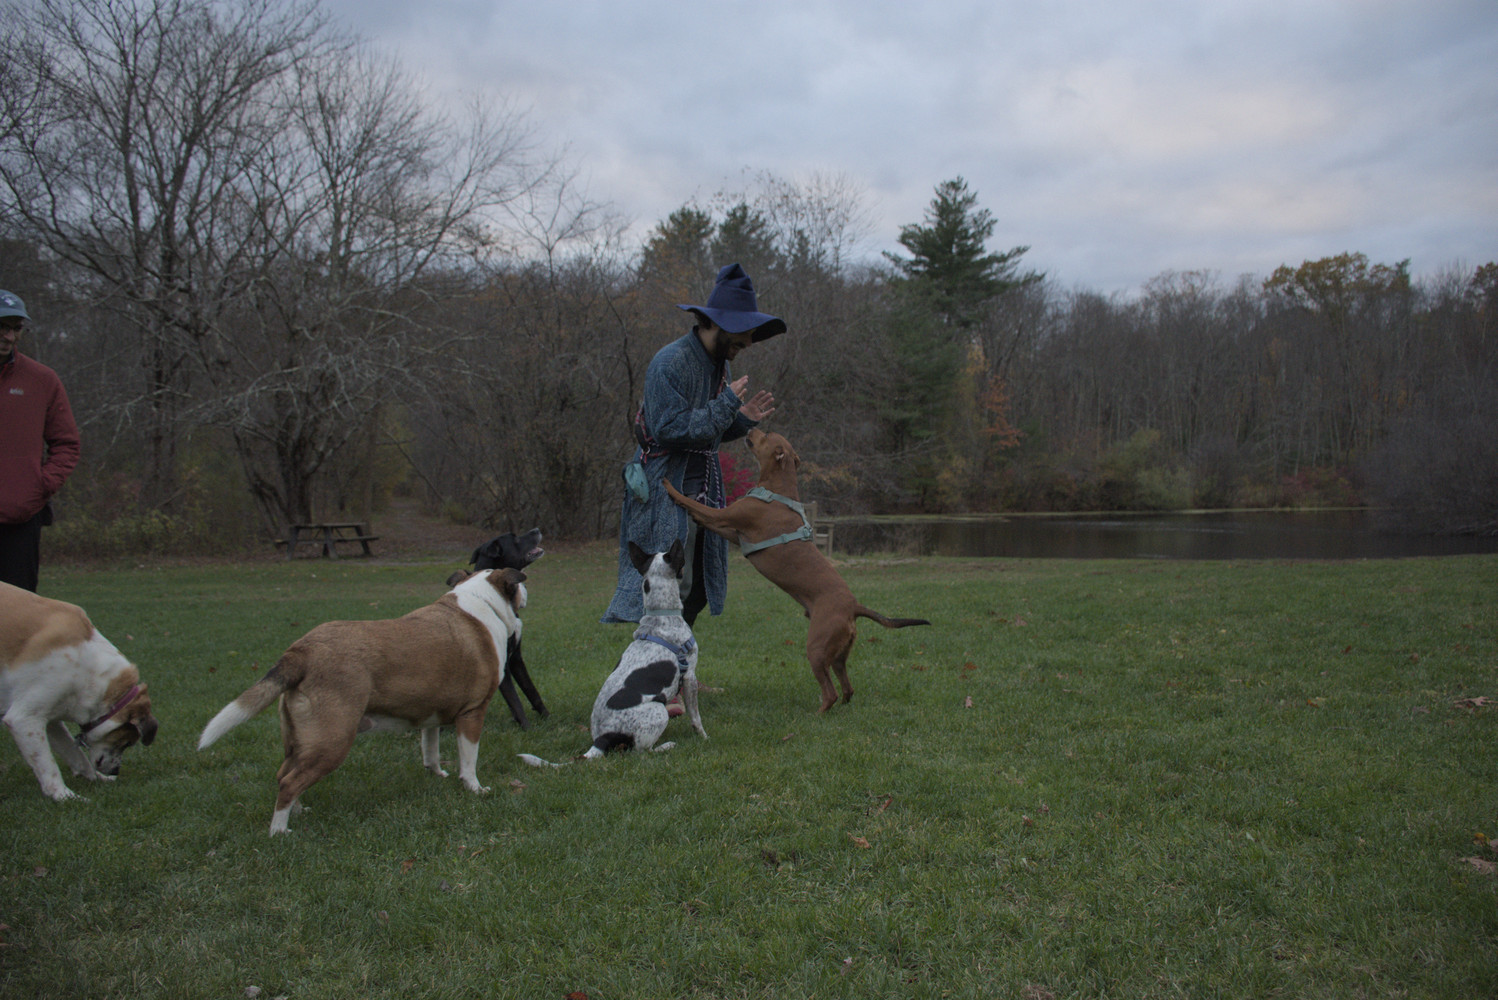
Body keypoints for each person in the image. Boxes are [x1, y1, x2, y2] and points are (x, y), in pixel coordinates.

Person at [603, 263, 785, 626]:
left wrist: (741, 419)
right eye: (743, 333)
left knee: (699, 586)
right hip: (665, 489)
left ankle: (681, 658)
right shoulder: (669, 363)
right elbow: (668, 429)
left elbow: (707, 433)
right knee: (670, 587)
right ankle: (660, 657)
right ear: (716, 324)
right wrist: (726, 405)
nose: (749, 343)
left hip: (703, 490)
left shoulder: (720, 365)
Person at [0, 290, 80, 592]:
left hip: (19, 521)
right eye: (1, 327)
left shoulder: (41, 380)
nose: (8, 336)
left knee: (17, 614)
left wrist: (39, 485)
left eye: (15, 328)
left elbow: (67, 444)